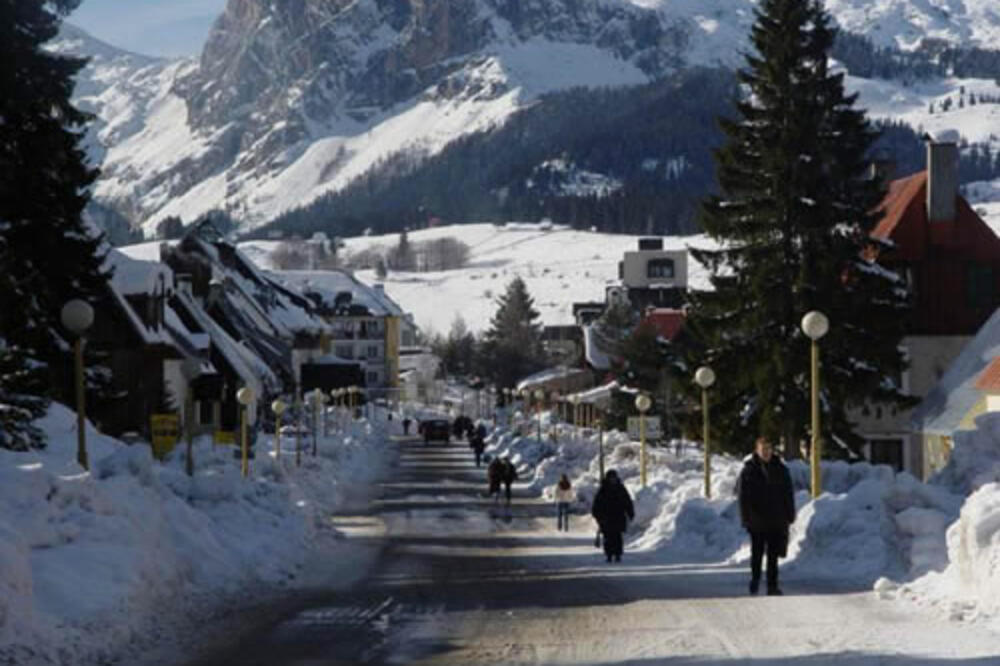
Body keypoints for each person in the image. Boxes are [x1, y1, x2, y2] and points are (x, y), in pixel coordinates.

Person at [738, 436, 795, 596]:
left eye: (769, 449)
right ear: (757, 450)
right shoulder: (749, 470)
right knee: (757, 553)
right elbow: (743, 497)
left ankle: (772, 585)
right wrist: (746, 518)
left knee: (773, 555)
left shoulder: (781, 469)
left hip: (776, 519)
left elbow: (788, 494)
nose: (766, 452)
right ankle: (755, 580)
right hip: (756, 520)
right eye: (763, 449)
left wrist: (790, 514)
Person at [591, 469, 634, 563]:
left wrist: (630, 512)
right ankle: (609, 555)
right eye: (611, 478)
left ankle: (618, 554)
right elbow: (597, 503)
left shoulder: (620, 488)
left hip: (618, 516)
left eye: (614, 477)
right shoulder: (603, 489)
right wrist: (597, 515)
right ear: (608, 478)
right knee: (608, 537)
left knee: (617, 537)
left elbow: (627, 501)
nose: (613, 479)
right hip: (606, 517)